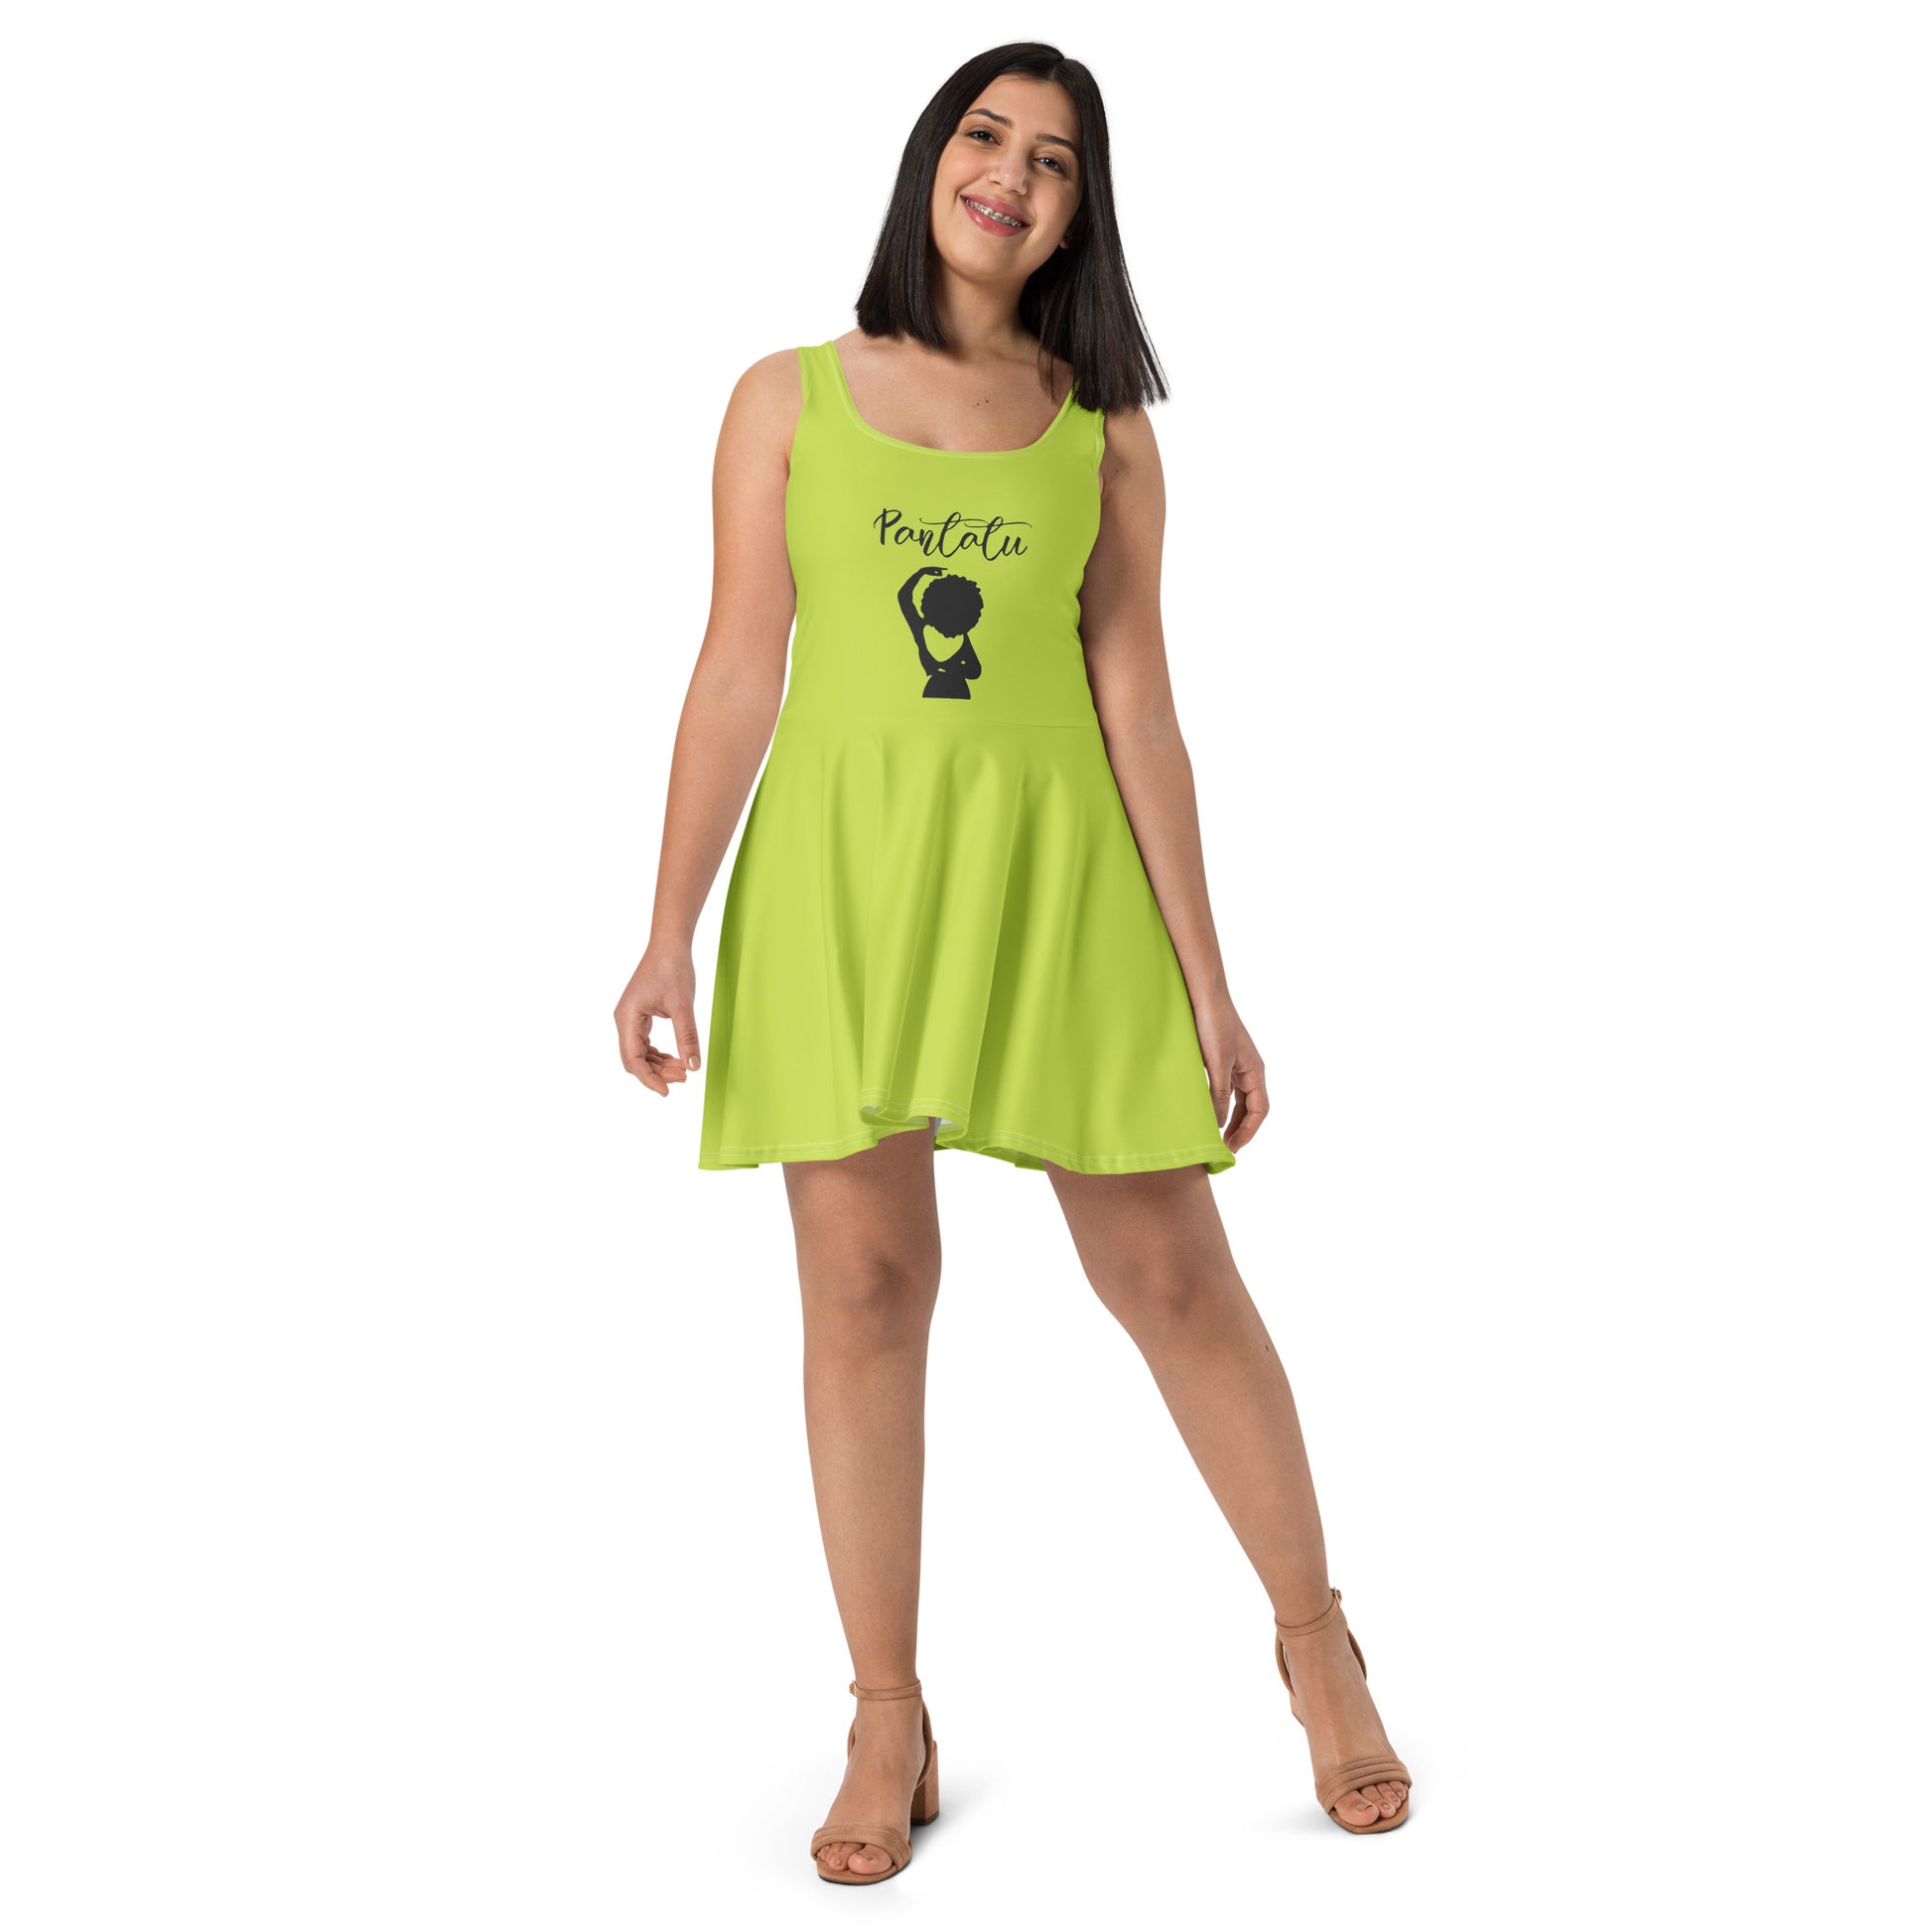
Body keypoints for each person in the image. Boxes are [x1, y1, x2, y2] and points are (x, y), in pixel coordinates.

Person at [614, 42, 1413, 1884]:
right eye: (985, 136)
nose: (1011, 175)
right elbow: (737, 665)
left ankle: (1317, 1645)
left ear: (1076, 213)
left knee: (1171, 1275)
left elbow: (1139, 703)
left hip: (1060, 885)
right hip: (842, 882)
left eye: (1054, 159)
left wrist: (1208, 980)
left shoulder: (1099, 432)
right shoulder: (785, 395)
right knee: (864, 1289)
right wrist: (666, 924)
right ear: (930, 163)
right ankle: (885, 1713)